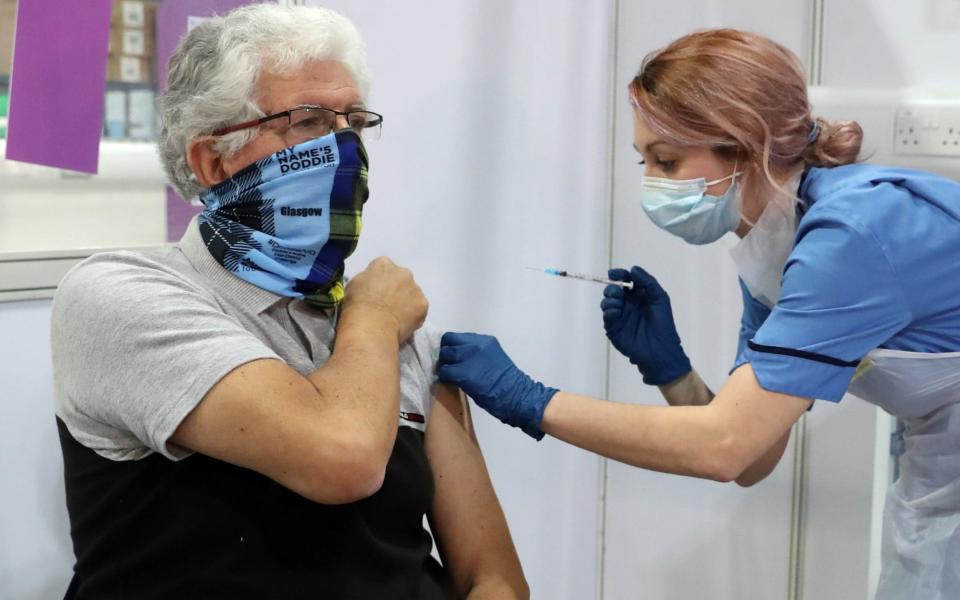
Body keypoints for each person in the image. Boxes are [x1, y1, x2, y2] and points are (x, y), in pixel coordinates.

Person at [438, 28, 960, 599]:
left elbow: (724, 447)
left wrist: (529, 399)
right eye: (644, 161)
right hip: (938, 468)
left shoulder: (851, 237)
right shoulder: (778, 248)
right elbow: (754, 458)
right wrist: (672, 372)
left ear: (744, 144)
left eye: (666, 160)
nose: (650, 185)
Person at [51, 5, 527, 599]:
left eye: (353, 119)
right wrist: (374, 320)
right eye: (308, 122)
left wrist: (375, 321)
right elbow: (342, 458)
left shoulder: (394, 329)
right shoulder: (123, 296)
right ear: (213, 159)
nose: (345, 147)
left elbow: (493, 576)